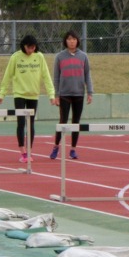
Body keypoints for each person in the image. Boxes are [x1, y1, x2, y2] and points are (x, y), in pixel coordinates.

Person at [0, 34, 56, 162]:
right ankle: (22, 152)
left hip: (33, 95)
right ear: (24, 46)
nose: (31, 50)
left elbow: (46, 76)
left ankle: (29, 151)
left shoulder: (39, 57)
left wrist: (51, 95)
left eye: (33, 48)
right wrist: (2, 93)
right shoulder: (16, 57)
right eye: (29, 48)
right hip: (19, 94)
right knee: (21, 123)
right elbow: (7, 76)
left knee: (31, 124)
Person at [50, 30, 93, 160]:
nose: (72, 41)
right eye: (69, 39)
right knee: (62, 121)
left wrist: (90, 92)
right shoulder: (60, 57)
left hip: (79, 93)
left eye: (74, 39)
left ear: (77, 41)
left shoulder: (83, 56)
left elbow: (87, 75)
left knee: (76, 122)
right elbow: (56, 77)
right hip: (64, 94)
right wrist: (56, 94)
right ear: (65, 41)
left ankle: (73, 149)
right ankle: (56, 147)